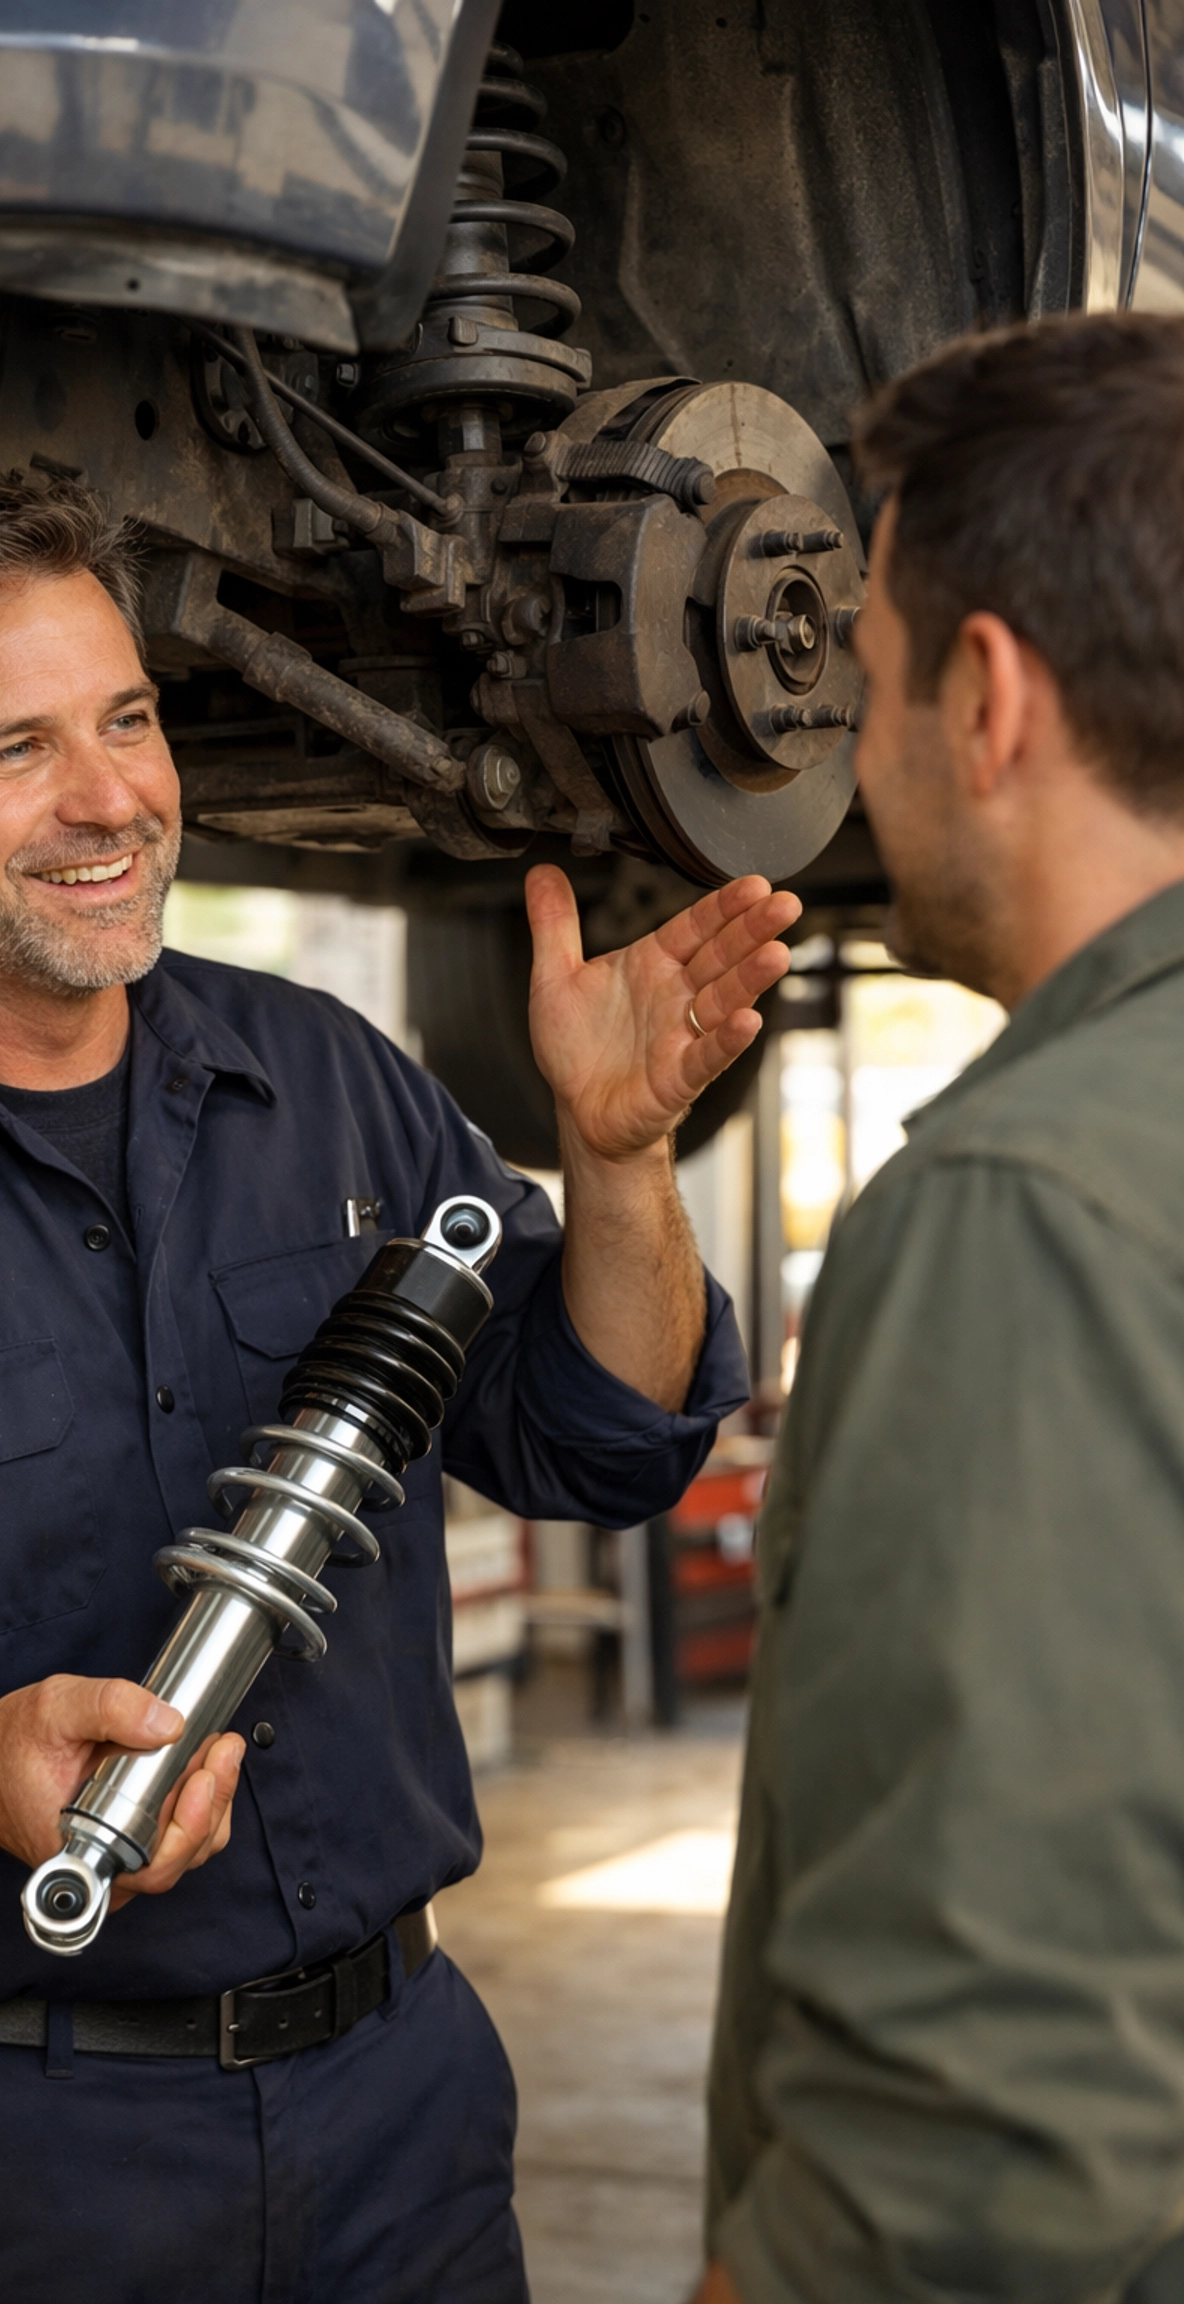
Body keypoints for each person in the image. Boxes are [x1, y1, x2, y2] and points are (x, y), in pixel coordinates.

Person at [0, 478, 795, 2303]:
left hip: (397, 2117)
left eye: (129, 717)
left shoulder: (326, 1078)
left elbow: (599, 1436)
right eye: (16, 747)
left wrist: (622, 1163)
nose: (112, 799)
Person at [694, 310, 1184, 2304]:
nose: (853, 748)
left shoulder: (1027, 1201)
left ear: (987, 698)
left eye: (870, 675)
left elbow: (982, 2132)